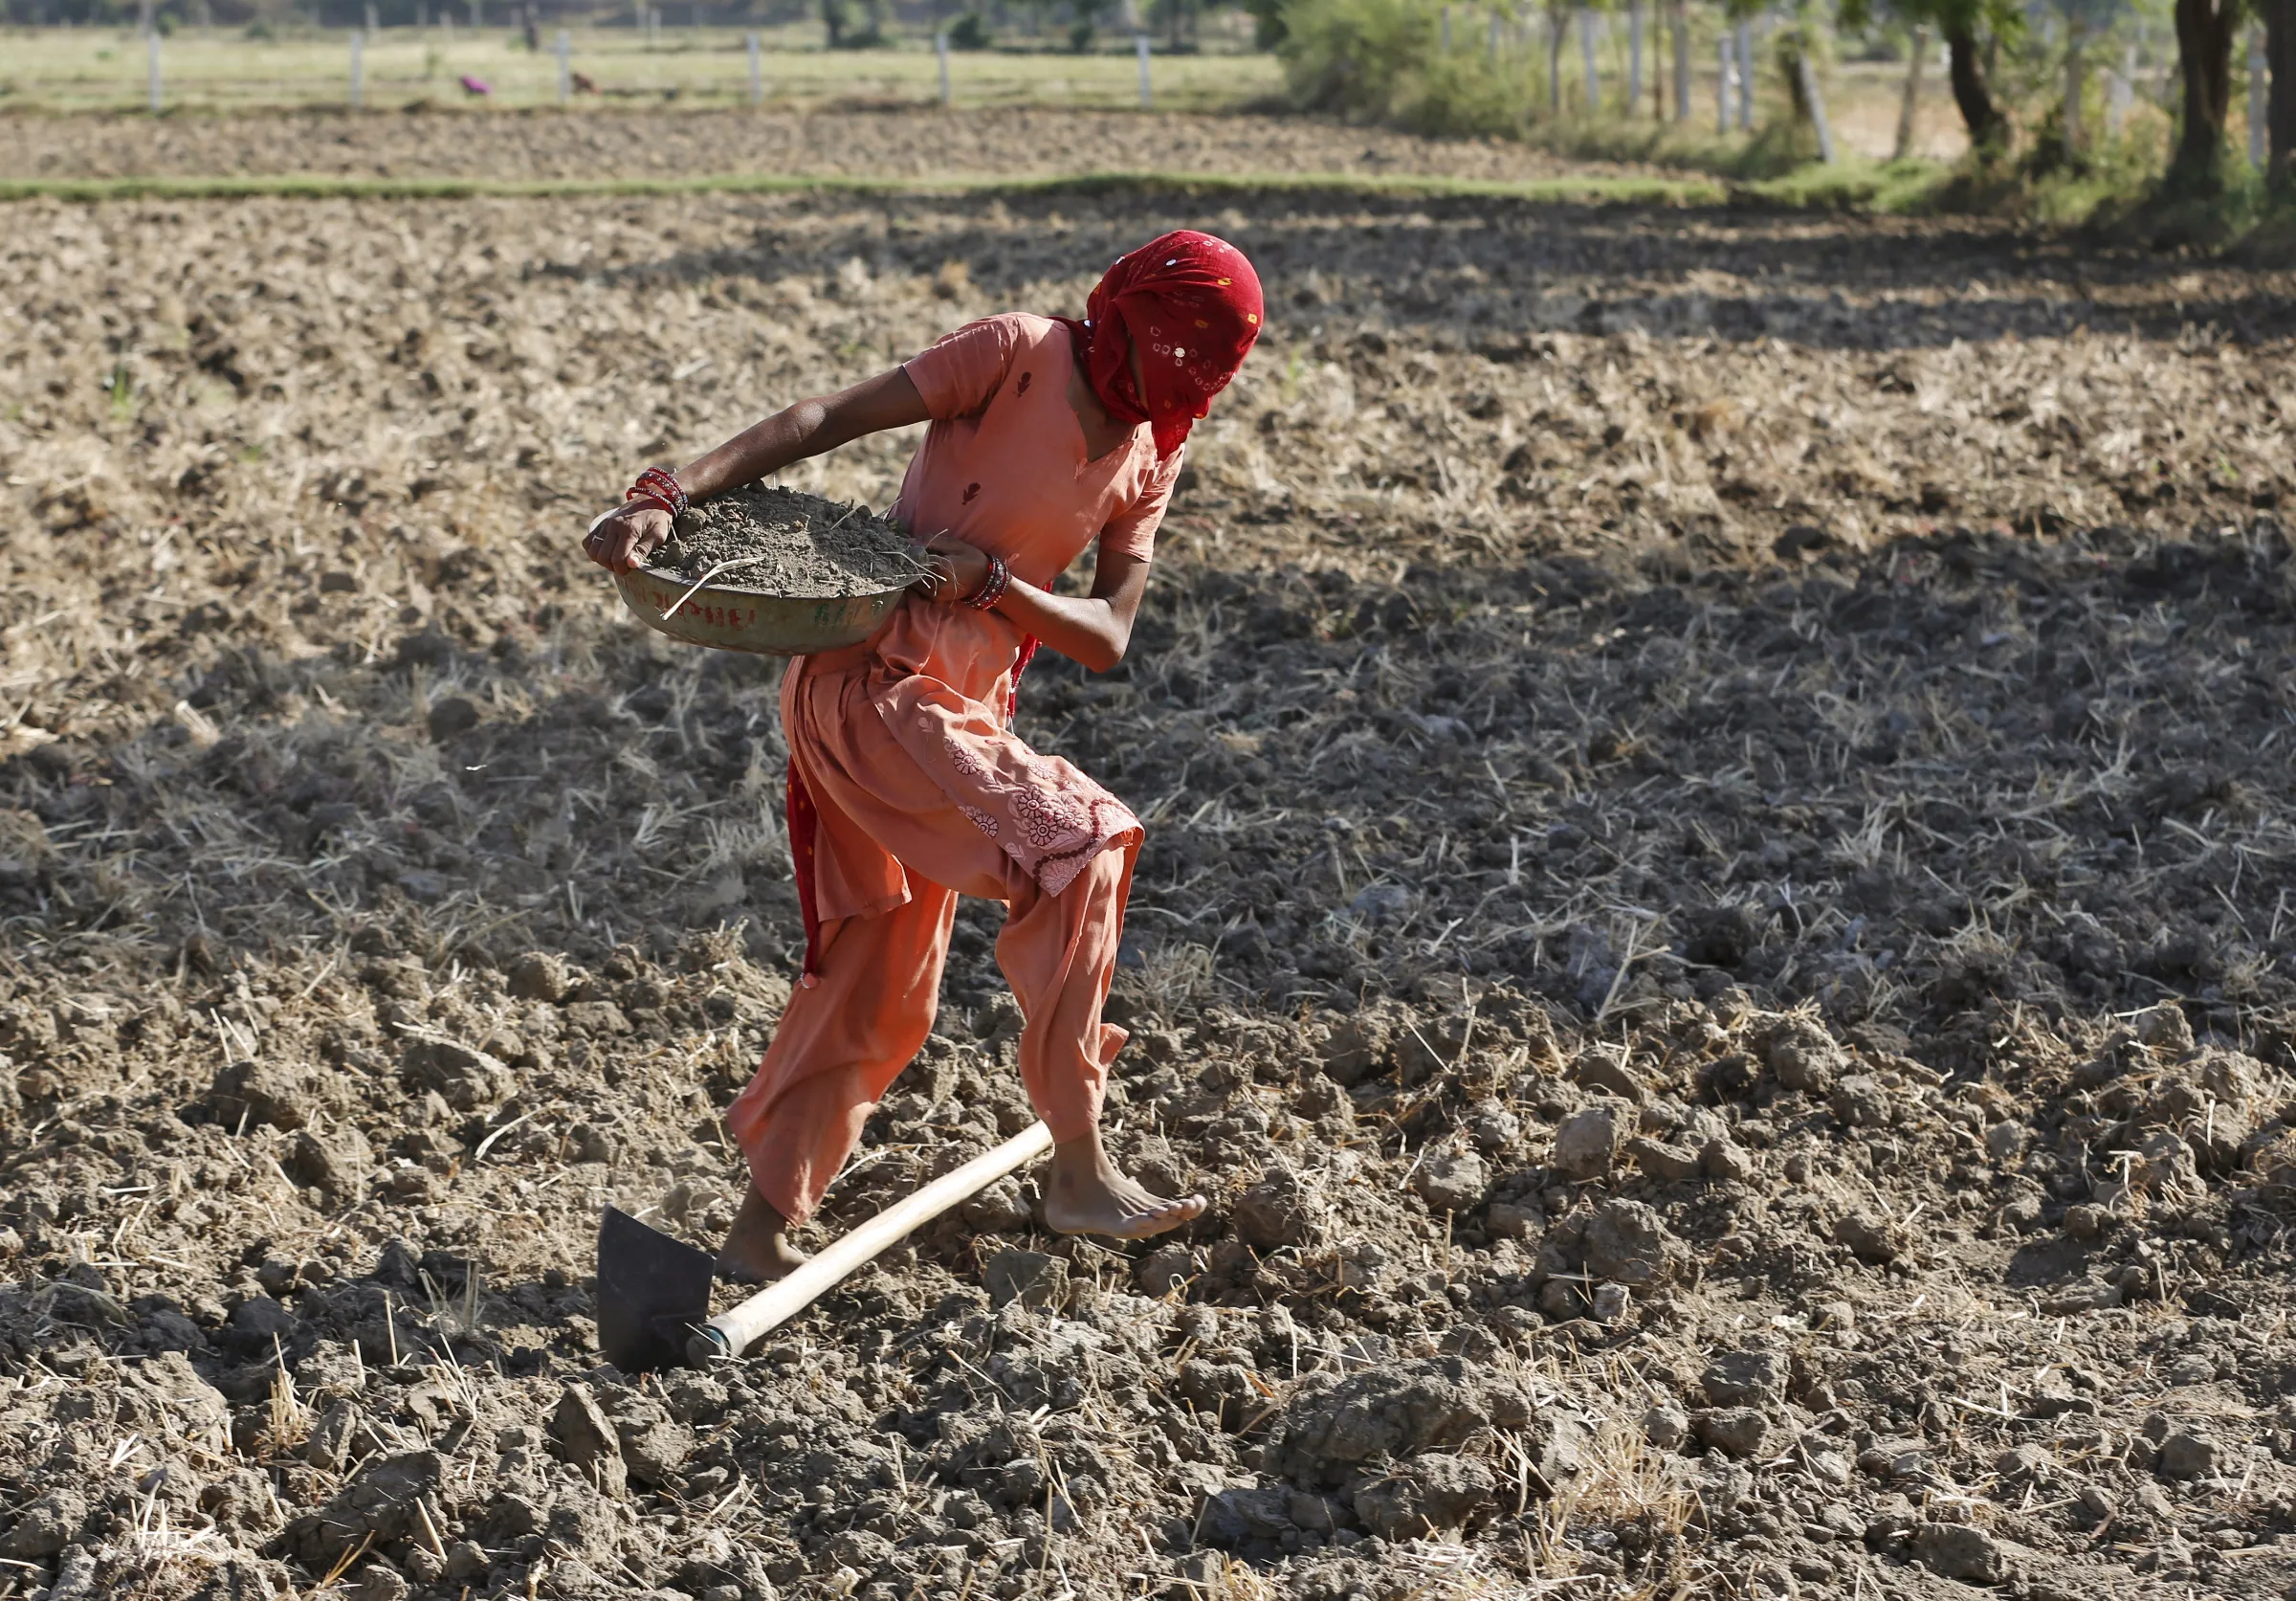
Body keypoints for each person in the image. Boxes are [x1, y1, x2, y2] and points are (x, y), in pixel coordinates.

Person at [583, 231, 1264, 1282]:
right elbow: (820, 421)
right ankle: (1079, 1167)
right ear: (1131, 314)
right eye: (1176, 350)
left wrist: (995, 588)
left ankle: (754, 1238)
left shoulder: (1152, 449)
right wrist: (663, 495)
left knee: (882, 973)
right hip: (873, 688)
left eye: (1206, 367)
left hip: (963, 714)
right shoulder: (1014, 353)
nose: (1182, 381)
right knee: (1081, 845)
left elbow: (1108, 632)